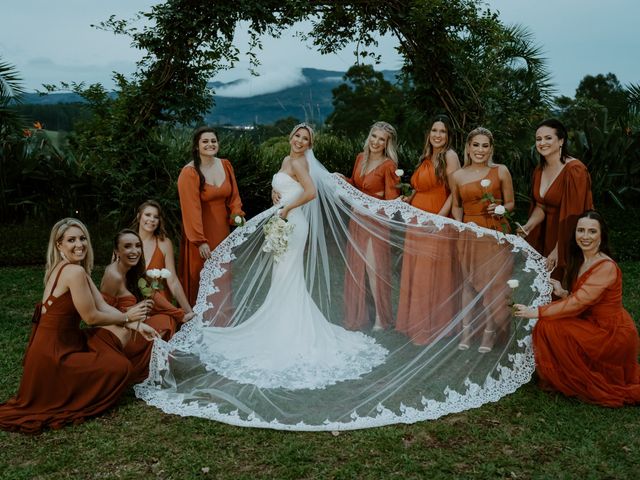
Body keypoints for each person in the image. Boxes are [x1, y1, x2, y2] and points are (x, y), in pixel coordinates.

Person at [135, 125, 549, 431]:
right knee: (283, 278)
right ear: (292, 141)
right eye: (296, 138)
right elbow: (288, 186)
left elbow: (310, 194)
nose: (299, 144)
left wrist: (282, 212)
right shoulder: (286, 161)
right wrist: (278, 197)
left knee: (292, 274)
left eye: (304, 140)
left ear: (309, 145)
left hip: (292, 225)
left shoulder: (317, 165)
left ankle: (307, 325)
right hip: (286, 220)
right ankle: (280, 321)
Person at [0, 218, 157, 434]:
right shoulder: (73, 272)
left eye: (82, 238)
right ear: (59, 245)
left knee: (121, 330)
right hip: (54, 354)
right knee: (121, 368)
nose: (79, 244)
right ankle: (73, 386)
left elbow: (101, 304)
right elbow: (91, 317)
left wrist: (137, 325)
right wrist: (128, 318)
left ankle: (92, 368)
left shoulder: (70, 268)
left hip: (65, 341)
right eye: (71, 240)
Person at [514, 210, 640, 406]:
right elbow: (585, 300)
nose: (585, 236)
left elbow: (579, 303)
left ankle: (574, 377)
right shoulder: (583, 260)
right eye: (581, 230)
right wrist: (563, 292)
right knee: (550, 324)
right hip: (593, 322)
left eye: (592, 231)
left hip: (611, 333)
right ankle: (571, 373)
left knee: (548, 325)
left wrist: (535, 312)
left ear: (601, 236)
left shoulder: (606, 266)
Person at [396, 114, 461, 344]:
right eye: (434, 130)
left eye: (442, 131)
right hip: (416, 220)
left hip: (435, 221)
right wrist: (408, 198)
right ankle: (414, 323)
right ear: (429, 133)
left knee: (430, 273)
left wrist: (440, 219)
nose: (437, 135)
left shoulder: (450, 157)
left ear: (449, 135)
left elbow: (455, 191)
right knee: (416, 272)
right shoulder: (427, 156)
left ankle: (432, 327)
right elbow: (420, 187)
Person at [451, 127, 515, 353]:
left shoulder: (501, 171)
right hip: (469, 232)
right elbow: (457, 205)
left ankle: (489, 332)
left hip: (495, 231)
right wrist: (460, 225)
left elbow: (510, 204)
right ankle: (466, 332)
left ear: (491, 149)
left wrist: (500, 208)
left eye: (485, 146)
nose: (480, 150)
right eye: (476, 145)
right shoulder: (457, 175)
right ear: (468, 147)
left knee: (493, 284)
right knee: (468, 283)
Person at [100, 229, 186, 383]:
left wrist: (180, 313)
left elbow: (153, 295)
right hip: (119, 335)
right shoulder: (113, 276)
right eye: (127, 246)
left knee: (167, 318)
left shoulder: (132, 270)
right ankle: (141, 367)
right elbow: (102, 315)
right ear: (117, 251)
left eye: (137, 246)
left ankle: (153, 364)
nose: (135, 251)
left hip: (134, 325)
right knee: (164, 323)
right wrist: (129, 312)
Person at [516, 118, 593, 283]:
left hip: (569, 238)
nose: (542, 143)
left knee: (564, 287)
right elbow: (541, 206)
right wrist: (528, 227)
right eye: (538, 139)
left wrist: (559, 250)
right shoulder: (539, 170)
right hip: (546, 235)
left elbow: (575, 216)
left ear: (561, 141)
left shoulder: (575, 170)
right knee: (544, 287)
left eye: (548, 138)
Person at [177, 126, 245, 307]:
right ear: (196, 146)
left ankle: (222, 322)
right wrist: (200, 241)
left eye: (213, 141)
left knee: (222, 275)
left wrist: (237, 215)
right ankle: (199, 323)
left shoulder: (225, 165)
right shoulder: (189, 173)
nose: (210, 144)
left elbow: (234, 197)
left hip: (222, 232)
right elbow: (190, 210)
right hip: (200, 234)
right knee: (202, 276)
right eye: (205, 141)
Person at [343, 121, 400, 331]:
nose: (376, 142)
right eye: (374, 136)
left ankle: (381, 318)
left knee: (374, 270)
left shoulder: (388, 165)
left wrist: (368, 207)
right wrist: (342, 180)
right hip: (357, 221)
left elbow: (391, 201)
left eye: (382, 139)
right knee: (357, 268)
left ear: (388, 144)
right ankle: (358, 316)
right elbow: (355, 185)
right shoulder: (360, 157)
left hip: (375, 223)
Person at [132, 199, 193, 317]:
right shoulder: (126, 241)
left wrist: (189, 311)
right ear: (139, 216)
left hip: (162, 309)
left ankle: (178, 315)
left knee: (162, 327)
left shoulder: (164, 243)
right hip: (135, 307)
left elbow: (173, 280)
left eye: (156, 217)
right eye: (148, 215)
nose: (151, 219)